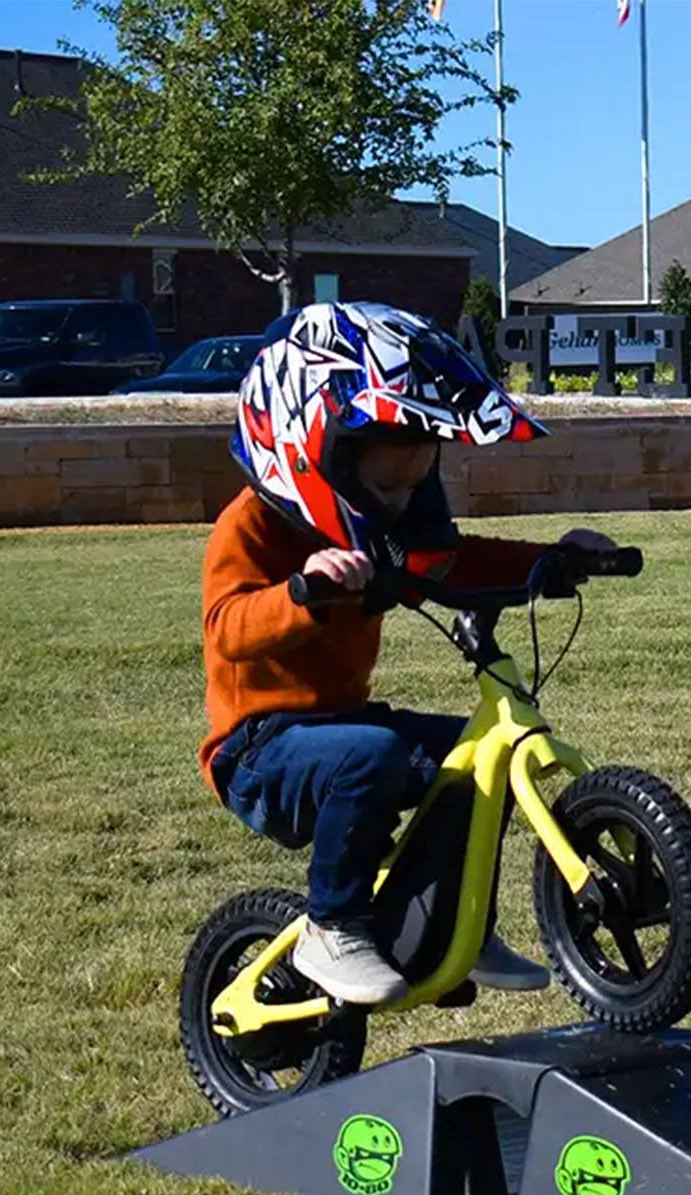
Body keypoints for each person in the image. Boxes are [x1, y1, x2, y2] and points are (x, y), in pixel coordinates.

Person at [199, 301, 614, 1006]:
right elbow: (228, 627)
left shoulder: (383, 530)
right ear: (309, 447)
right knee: (369, 756)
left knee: (472, 758)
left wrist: (556, 558)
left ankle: (450, 924)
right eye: (387, 486)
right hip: (258, 749)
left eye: (414, 485)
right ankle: (332, 928)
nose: (398, 504)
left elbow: (451, 563)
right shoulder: (251, 526)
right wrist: (302, 593)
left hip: (344, 726)